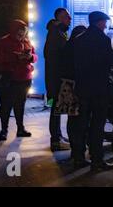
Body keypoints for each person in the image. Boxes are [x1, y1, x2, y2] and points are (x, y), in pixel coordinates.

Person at [73, 11, 113, 172]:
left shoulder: (79, 40)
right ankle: (96, 159)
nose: (106, 25)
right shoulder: (103, 39)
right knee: (97, 125)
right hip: (99, 89)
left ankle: (78, 157)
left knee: (81, 123)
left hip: (82, 88)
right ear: (99, 22)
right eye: (105, 22)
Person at [0, 20, 37, 141]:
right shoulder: (4, 41)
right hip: (10, 79)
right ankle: (4, 130)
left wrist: (30, 57)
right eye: (19, 31)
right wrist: (15, 56)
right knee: (6, 106)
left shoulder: (27, 41)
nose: (22, 34)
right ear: (14, 31)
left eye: (24, 32)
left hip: (25, 78)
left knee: (20, 105)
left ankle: (20, 128)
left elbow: (35, 55)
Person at [44, 8, 72, 152]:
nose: (70, 18)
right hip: (56, 78)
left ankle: (57, 136)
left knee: (56, 108)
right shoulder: (56, 33)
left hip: (55, 77)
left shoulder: (58, 32)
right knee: (55, 108)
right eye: (67, 16)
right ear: (59, 18)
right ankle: (55, 140)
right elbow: (58, 56)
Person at [60, 25, 87, 169]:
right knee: (81, 122)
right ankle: (79, 154)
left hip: (67, 86)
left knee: (72, 120)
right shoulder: (80, 49)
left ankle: (75, 151)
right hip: (78, 87)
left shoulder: (67, 47)